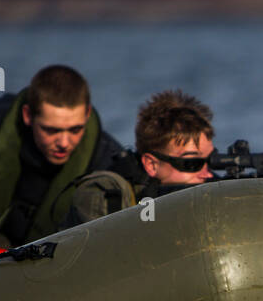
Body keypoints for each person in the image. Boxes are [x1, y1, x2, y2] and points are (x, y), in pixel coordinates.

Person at [0, 64, 123, 264]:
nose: (63, 142)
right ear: (27, 115)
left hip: (48, 266)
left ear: (87, 114)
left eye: (75, 129)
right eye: (51, 130)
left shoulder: (108, 160)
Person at [69, 89, 216, 223]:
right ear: (152, 164)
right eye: (191, 163)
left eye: (210, 161)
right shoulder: (104, 194)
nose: (207, 174)